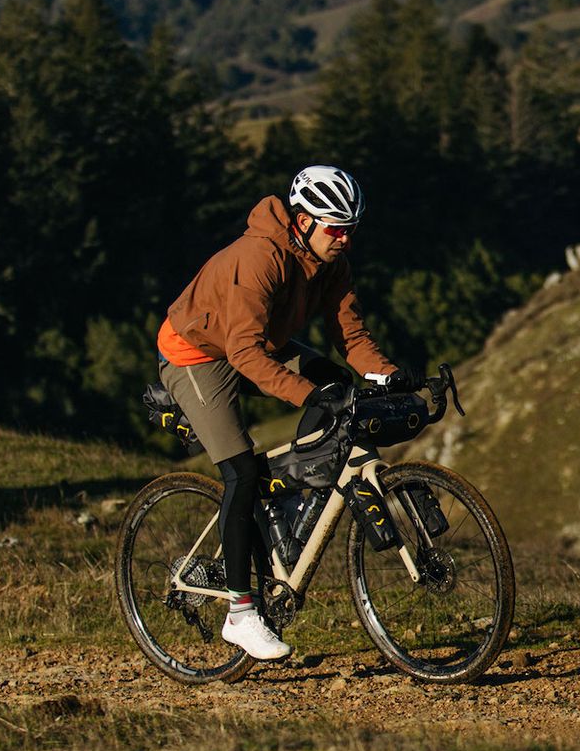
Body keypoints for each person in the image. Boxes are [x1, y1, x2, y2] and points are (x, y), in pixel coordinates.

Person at [156, 165, 407, 661]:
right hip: (196, 354)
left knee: (338, 383)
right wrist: (304, 394)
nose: (342, 239)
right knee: (241, 472)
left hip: (254, 343)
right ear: (303, 221)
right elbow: (244, 354)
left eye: (350, 230)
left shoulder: (332, 261)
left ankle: (293, 497)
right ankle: (241, 615)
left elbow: (350, 336)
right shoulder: (259, 258)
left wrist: (388, 373)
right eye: (334, 228)